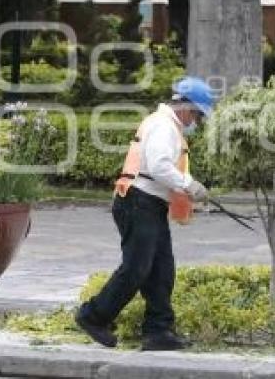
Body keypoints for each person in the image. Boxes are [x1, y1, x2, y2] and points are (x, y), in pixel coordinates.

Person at [75, 77, 216, 351]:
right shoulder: (163, 126)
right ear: (186, 107)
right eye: (198, 115)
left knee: (161, 270)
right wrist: (189, 185)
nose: (197, 122)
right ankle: (92, 316)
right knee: (136, 268)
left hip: (149, 203)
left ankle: (158, 332)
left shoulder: (169, 127)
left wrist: (192, 189)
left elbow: (164, 169)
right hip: (138, 202)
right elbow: (159, 166)